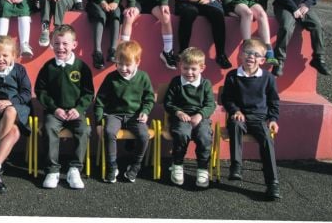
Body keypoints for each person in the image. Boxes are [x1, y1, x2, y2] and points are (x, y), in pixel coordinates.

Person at [220, 39, 281, 200]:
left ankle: (272, 183)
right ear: (240, 55)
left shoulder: (268, 78)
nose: (251, 56)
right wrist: (235, 110)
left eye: (256, 54)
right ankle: (236, 166)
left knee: (267, 140)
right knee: (235, 125)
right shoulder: (233, 75)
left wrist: (273, 119)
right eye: (247, 52)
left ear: (262, 60)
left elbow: (274, 101)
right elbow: (227, 98)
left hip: (258, 118)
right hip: (238, 115)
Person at [35, 25, 94, 190]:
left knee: (84, 130)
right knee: (48, 128)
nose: (60, 47)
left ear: (74, 45)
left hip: (75, 112)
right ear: (52, 44)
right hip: (55, 112)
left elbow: (89, 93)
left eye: (65, 44)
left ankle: (74, 170)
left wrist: (79, 109)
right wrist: (54, 108)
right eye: (57, 43)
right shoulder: (48, 67)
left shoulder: (82, 67)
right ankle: (52, 170)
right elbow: (40, 91)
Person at [94, 40, 154, 184]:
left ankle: (135, 165)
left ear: (137, 62)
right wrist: (98, 121)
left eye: (127, 65)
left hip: (135, 115)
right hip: (114, 114)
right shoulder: (111, 78)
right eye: (119, 64)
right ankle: (112, 166)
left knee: (144, 135)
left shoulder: (143, 77)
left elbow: (149, 98)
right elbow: (100, 101)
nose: (123, 68)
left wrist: (145, 111)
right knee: (109, 132)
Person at [0, 34, 33, 193]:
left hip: (18, 111)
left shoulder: (19, 70)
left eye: (5, 55)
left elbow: (26, 93)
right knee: (15, 132)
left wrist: (11, 102)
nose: (0, 59)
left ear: (14, 56)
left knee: (10, 111)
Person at [163, 47, 216, 188]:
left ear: (202, 68)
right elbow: (168, 102)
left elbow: (211, 104)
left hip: (200, 118)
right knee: (182, 133)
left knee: (204, 136)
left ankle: (202, 168)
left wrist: (200, 114)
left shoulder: (206, 84)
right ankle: (178, 164)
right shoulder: (176, 82)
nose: (189, 72)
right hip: (181, 117)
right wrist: (178, 112)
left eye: (193, 69)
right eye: (186, 68)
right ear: (181, 66)